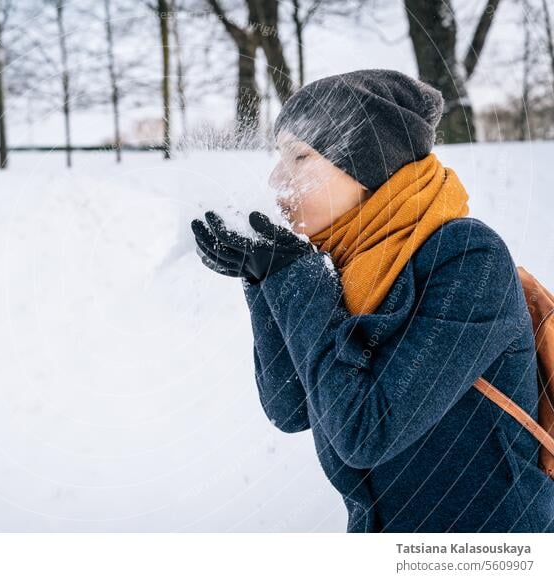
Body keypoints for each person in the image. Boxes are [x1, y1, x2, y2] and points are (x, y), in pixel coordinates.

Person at [191, 69, 554, 533]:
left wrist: (294, 277)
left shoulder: (466, 258)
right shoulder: (337, 263)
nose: (276, 179)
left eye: (300, 156)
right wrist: (265, 279)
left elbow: (365, 430)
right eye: (277, 158)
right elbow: (291, 406)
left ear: (368, 165)